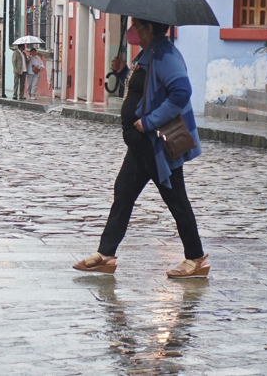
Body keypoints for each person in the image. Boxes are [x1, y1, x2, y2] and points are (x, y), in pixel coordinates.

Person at [73, 17, 208, 279]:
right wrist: (124, 72)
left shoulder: (167, 54)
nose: (132, 29)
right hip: (140, 144)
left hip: (154, 143)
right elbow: (145, 90)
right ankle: (106, 254)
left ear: (148, 28)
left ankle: (196, 258)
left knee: (176, 199)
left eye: (136, 24)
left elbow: (180, 93)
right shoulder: (149, 52)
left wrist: (149, 122)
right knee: (123, 192)